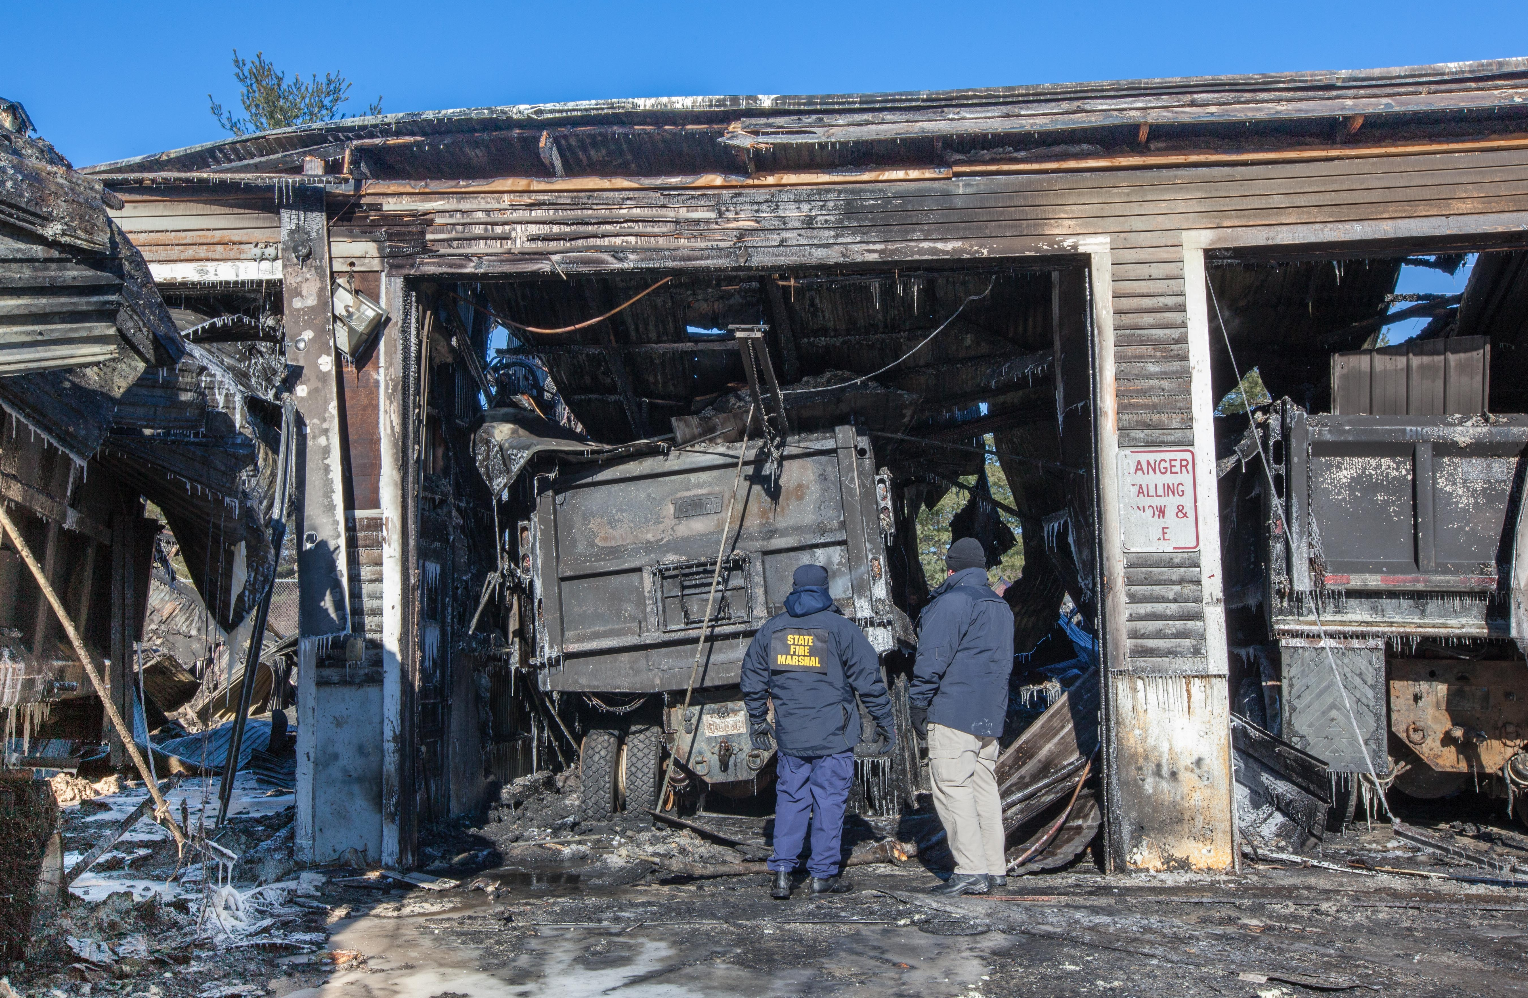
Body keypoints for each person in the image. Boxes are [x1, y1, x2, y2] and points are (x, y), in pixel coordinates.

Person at [741, 564, 896, 899]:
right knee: (828, 802)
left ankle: (782, 873)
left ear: (794, 588)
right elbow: (869, 682)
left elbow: (751, 677)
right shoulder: (840, 628)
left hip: (792, 738)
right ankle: (822, 876)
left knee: (791, 800)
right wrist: (885, 722)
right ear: (826, 587)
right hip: (833, 736)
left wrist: (757, 719)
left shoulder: (772, 630)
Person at [909, 536, 1016, 896]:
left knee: (953, 788)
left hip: (954, 711)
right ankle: (993, 868)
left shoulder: (952, 602)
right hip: (989, 715)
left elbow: (931, 658)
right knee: (983, 788)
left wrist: (919, 703)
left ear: (951, 568)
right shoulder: (1000, 607)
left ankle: (970, 870)